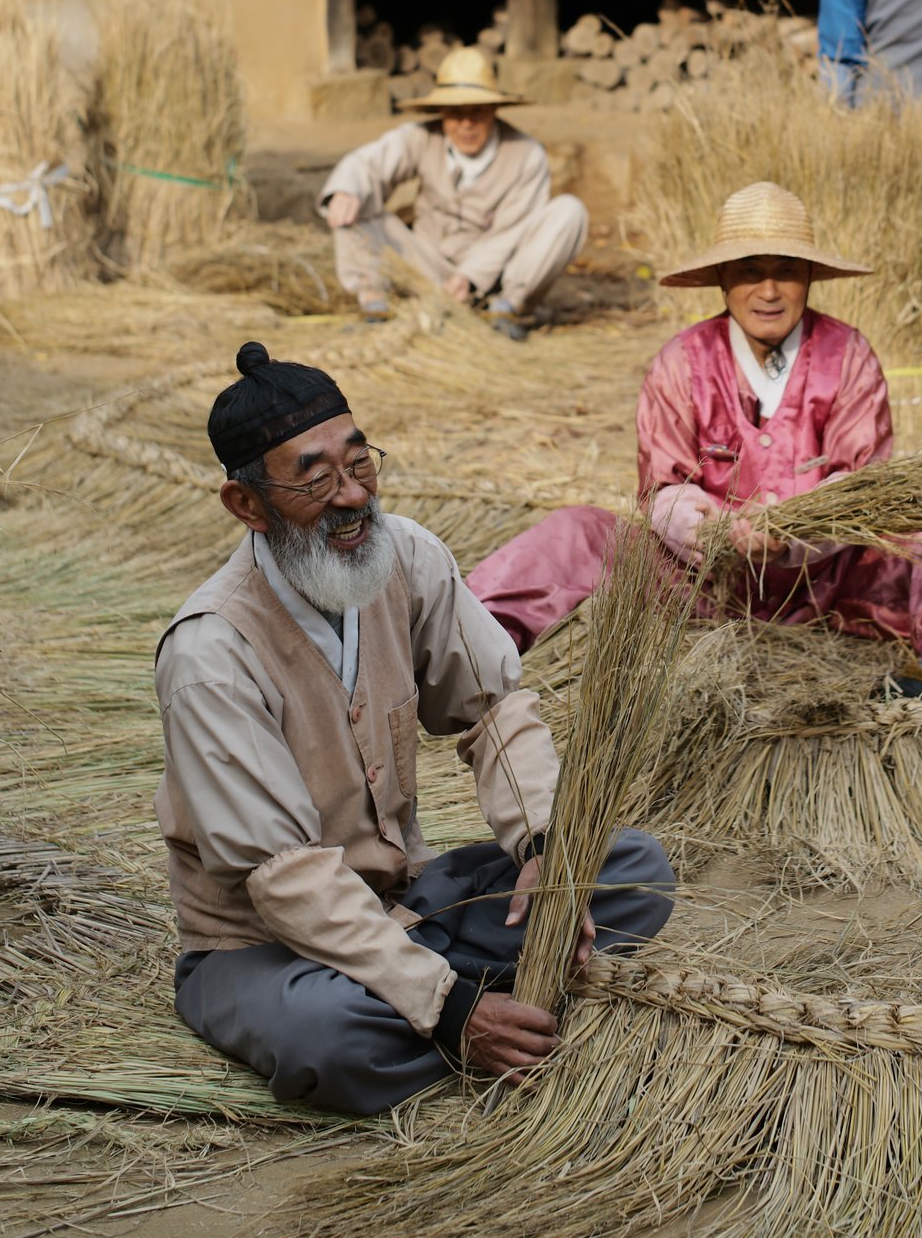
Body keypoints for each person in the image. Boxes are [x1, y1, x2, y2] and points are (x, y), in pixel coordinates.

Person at [154, 341, 674, 1115]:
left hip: (411, 901)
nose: (350, 497)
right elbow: (284, 877)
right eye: (314, 477)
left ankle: (435, 997)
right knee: (325, 1037)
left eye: (360, 464)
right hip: (270, 948)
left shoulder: (409, 558)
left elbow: (494, 707)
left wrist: (543, 850)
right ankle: (454, 1006)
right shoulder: (210, 652)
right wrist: (454, 1011)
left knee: (636, 868)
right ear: (248, 505)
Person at [468, 183, 922, 697]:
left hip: (831, 577)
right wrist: (714, 532)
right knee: (578, 532)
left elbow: (862, 479)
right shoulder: (681, 362)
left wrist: (793, 534)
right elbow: (664, 486)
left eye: (787, 271)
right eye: (750, 271)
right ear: (723, 279)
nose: (770, 291)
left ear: (810, 277)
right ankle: (470, 646)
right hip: (701, 583)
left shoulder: (848, 356)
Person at [319, 44, 588, 337]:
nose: (466, 124)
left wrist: (470, 277)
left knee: (569, 212)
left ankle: (506, 310)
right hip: (425, 268)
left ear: (495, 110)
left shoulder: (525, 154)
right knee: (353, 202)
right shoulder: (420, 137)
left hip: (494, 277)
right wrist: (348, 192)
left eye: (478, 112)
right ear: (441, 113)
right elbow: (367, 163)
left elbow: (512, 231)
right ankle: (376, 305)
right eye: (456, 113)